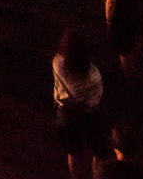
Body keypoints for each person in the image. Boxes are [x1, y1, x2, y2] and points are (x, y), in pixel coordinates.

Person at [53, 29, 105, 179]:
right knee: (99, 150)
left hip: (66, 114)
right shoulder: (94, 76)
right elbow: (94, 102)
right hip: (90, 116)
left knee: (75, 151)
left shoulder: (57, 64)